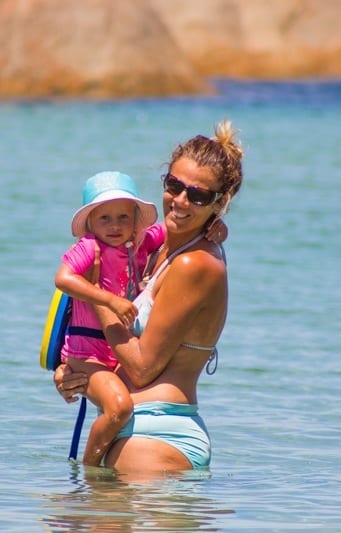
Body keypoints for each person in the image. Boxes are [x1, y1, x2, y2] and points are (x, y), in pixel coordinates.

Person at [54, 120, 244, 474]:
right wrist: (76, 373)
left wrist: (96, 294)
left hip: (158, 437)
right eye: (175, 185)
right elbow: (118, 347)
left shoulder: (194, 264)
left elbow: (141, 368)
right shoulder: (157, 251)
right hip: (134, 430)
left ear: (219, 202)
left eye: (199, 195)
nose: (181, 201)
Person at [55, 171, 162, 466]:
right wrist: (108, 299)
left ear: (136, 219)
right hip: (86, 357)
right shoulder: (90, 247)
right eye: (105, 218)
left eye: (123, 217)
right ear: (90, 222)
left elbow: (182, 231)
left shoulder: (142, 241)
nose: (115, 226)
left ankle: (107, 478)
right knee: (119, 407)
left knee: (130, 414)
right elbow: (63, 278)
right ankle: (91, 472)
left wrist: (217, 230)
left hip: (122, 353)